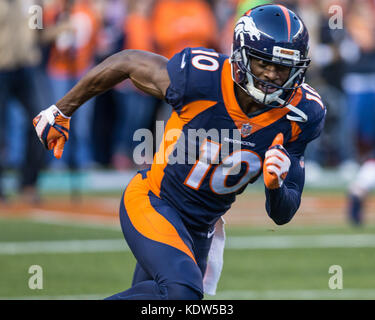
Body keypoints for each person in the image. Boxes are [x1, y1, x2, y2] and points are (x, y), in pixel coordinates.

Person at [33, 4, 326, 300]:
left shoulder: (303, 113)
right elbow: (127, 61)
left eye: (283, 67)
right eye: (264, 63)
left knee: (166, 299)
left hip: (201, 228)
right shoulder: (202, 78)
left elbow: (282, 214)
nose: (273, 76)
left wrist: (274, 186)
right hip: (154, 200)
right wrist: (61, 111)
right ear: (242, 55)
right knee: (182, 293)